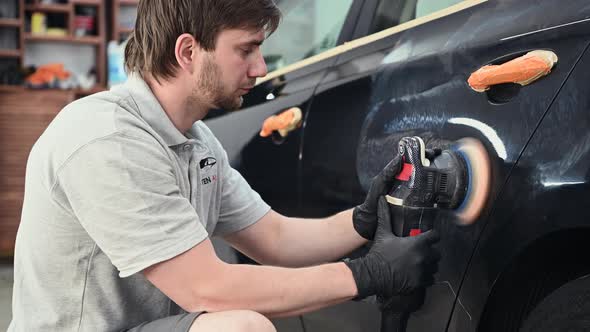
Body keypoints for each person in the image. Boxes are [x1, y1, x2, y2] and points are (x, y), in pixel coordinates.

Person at [8, 0, 440, 331]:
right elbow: (206, 288)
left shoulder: (195, 141)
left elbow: (274, 237)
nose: (261, 67)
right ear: (187, 51)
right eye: (246, 49)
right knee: (239, 327)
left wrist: (364, 219)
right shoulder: (108, 139)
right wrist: (367, 275)